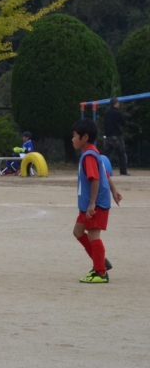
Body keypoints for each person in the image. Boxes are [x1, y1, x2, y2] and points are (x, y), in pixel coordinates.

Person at [72, 119, 121, 283]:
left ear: (85, 137)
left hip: (95, 205)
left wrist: (92, 203)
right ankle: (100, 261)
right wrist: (114, 191)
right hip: (88, 204)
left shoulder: (89, 156)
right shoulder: (92, 152)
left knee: (93, 234)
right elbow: (105, 173)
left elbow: (95, 179)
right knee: (78, 231)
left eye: (75, 136)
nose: (72, 139)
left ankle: (100, 272)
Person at [103, 98, 129, 176]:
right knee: (121, 154)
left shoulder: (106, 113)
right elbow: (123, 123)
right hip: (116, 136)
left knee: (106, 155)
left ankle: (102, 170)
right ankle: (123, 172)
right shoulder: (118, 112)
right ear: (116, 103)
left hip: (107, 137)